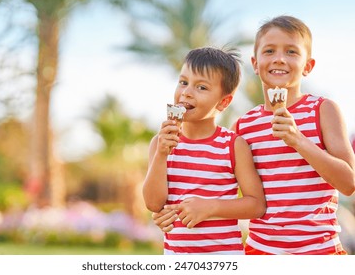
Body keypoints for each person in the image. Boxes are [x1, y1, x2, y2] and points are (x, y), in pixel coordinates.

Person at [153, 15, 355, 255]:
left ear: (308, 66)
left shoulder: (323, 110)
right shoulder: (244, 126)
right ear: (255, 64)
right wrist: (169, 211)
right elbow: (215, 188)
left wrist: (298, 140)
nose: (279, 58)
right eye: (269, 51)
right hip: (260, 252)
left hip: (319, 250)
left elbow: (348, 183)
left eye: (291, 52)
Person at [142, 46, 266, 254]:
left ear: (224, 101)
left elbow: (256, 205)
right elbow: (154, 203)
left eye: (202, 87)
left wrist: (210, 207)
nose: (187, 93)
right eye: (183, 82)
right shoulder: (160, 143)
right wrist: (162, 154)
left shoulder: (233, 146)